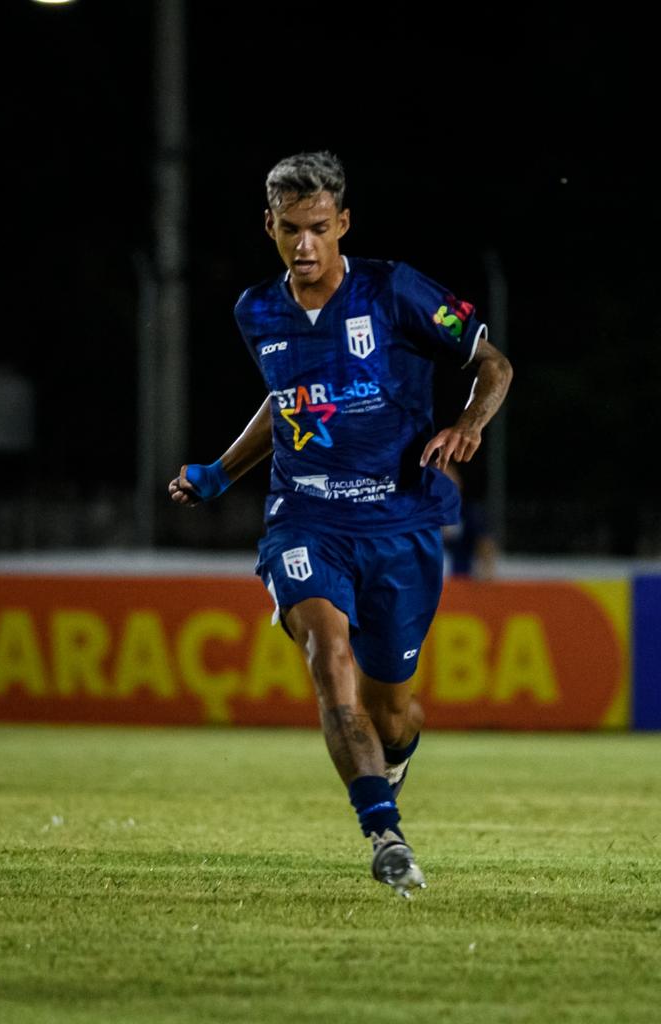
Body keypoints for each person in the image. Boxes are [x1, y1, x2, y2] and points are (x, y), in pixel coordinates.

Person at [169, 151, 512, 897]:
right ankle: (383, 831)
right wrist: (222, 472)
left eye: (318, 228)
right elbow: (283, 399)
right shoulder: (255, 310)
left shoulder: (396, 291)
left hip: (399, 525)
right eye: (290, 229)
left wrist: (469, 425)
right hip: (305, 519)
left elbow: (495, 365)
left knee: (392, 713)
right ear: (270, 226)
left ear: (343, 223)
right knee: (330, 658)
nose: (304, 245)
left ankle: (392, 758)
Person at [441, 462, 498, 580]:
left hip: (460, 582)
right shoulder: (415, 515)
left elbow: (484, 542)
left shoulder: (469, 513)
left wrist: (487, 571)